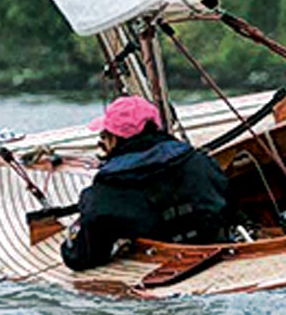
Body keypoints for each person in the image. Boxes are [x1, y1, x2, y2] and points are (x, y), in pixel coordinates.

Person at [61, 96, 231, 271]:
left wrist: (71, 241)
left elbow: (80, 258)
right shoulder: (201, 163)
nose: (102, 142)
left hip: (159, 267)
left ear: (115, 139)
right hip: (219, 254)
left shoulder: (104, 193)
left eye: (104, 135)